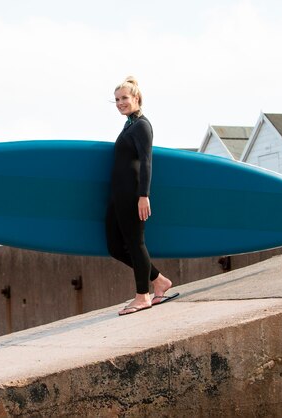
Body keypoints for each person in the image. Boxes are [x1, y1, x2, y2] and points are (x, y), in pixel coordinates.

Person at [106, 76, 178, 316]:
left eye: (124, 98)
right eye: (116, 99)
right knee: (115, 246)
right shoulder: (129, 124)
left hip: (133, 193)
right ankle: (159, 281)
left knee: (136, 243)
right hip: (118, 194)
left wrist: (143, 195)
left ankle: (143, 296)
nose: (120, 103)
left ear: (136, 98)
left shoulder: (142, 125)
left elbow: (146, 161)